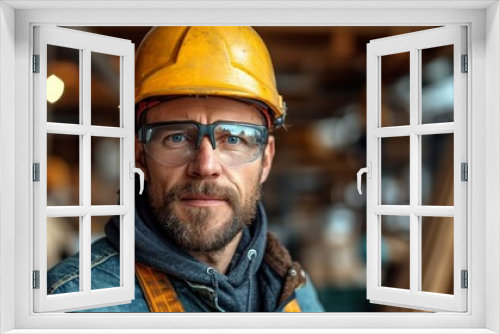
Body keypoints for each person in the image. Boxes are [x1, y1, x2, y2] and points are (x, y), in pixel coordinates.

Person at [47, 26, 324, 312]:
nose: (206, 166)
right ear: (139, 156)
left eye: (233, 138)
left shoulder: (297, 297)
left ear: (266, 160)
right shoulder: (77, 305)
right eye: (176, 137)